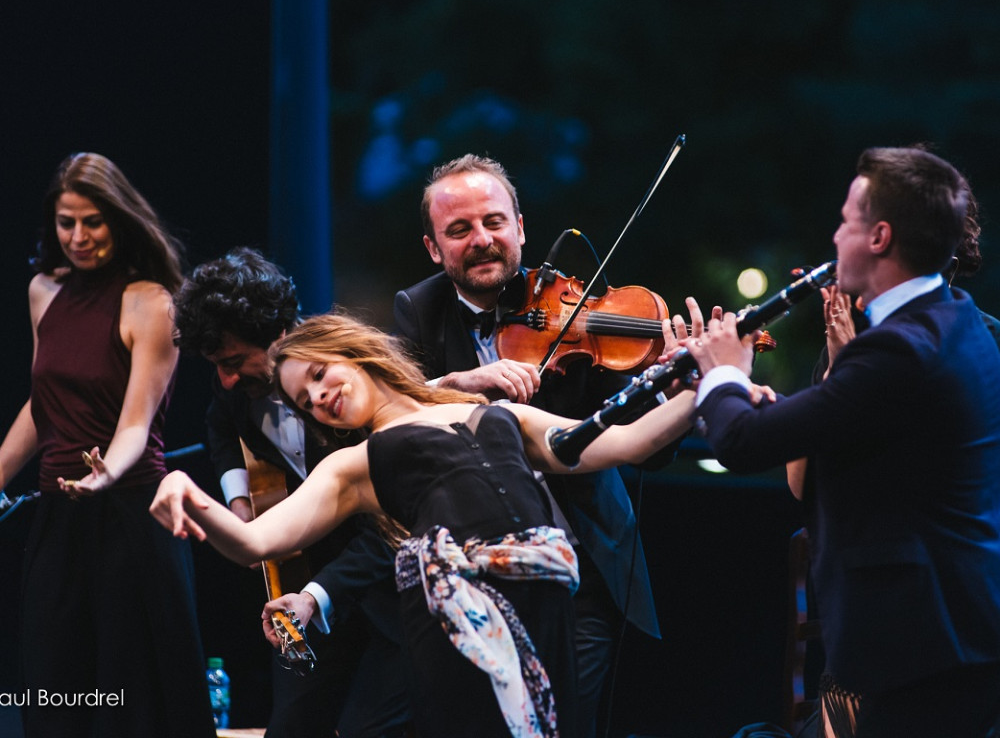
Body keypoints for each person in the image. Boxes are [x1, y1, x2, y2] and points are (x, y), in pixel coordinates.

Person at [149, 310, 706, 738]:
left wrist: (707, 383)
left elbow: (626, 442)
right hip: (456, 621)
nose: (319, 398)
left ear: (354, 352)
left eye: (320, 376)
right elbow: (255, 542)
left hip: (546, 605)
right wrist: (186, 490)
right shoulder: (351, 464)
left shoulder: (499, 412)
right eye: (306, 401)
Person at [683, 146, 1000, 737]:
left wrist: (725, 371)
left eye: (845, 221)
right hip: (961, 627)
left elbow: (739, 443)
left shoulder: (901, 347)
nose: (835, 235)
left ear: (880, 236)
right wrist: (774, 401)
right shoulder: (954, 315)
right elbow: (850, 429)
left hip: (932, 638)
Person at [393, 153, 672, 736]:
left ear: (520, 227)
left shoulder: (580, 308)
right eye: (460, 229)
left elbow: (648, 442)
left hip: (583, 567)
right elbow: (392, 419)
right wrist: (458, 386)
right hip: (472, 571)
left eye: (494, 222)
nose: (482, 240)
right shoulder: (417, 311)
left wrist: (670, 378)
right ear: (432, 247)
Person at [0, 152, 215, 737]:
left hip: (132, 513)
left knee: (131, 700)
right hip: (58, 515)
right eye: (66, 222)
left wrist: (106, 474)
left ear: (119, 219)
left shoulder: (152, 299)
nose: (77, 236)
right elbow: (43, 404)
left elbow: (135, 423)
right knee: (54, 690)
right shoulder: (44, 290)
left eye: (92, 221)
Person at [171, 247, 413, 738]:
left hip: (392, 596)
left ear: (278, 332)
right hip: (313, 591)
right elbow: (220, 425)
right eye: (217, 364)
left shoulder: (348, 389)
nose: (226, 378)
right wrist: (240, 503)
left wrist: (315, 595)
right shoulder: (238, 389)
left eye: (234, 361)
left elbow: (390, 528)